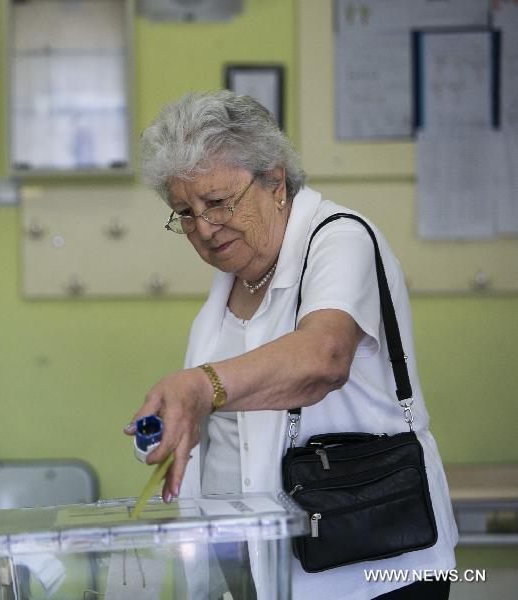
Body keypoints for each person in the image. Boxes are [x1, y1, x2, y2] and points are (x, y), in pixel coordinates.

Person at [124, 91, 457, 600]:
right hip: (257, 570)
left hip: (368, 572)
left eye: (217, 202)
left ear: (276, 181)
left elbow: (321, 359)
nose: (205, 229)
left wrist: (201, 386)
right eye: (184, 212)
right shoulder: (233, 281)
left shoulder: (340, 239)